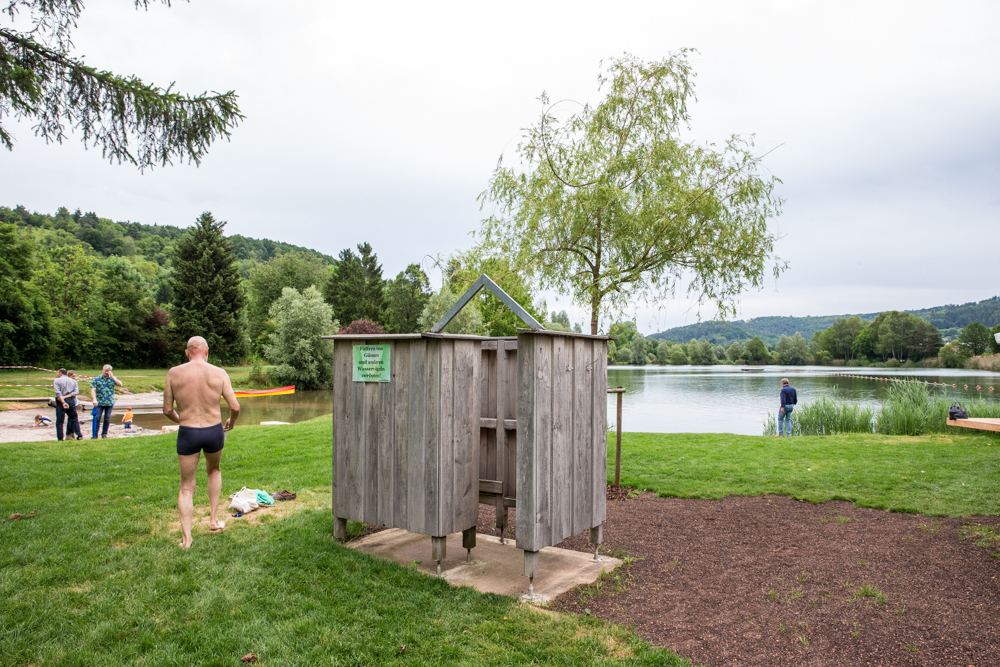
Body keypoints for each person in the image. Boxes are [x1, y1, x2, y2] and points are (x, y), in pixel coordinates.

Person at [163, 336, 241, 549]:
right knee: (214, 471)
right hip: (213, 430)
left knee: (186, 486)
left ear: (187, 352)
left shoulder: (174, 373)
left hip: (188, 432)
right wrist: (231, 422)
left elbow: (167, 410)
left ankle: (187, 539)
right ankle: (214, 521)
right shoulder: (219, 372)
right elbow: (235, 407)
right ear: (207, 351)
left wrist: (181, 420)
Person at [90, 365, 122, 439]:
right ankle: (95, 435)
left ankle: (104, 434)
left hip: (109, 402)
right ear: (102, 370)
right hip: (99, 402)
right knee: (97, 418)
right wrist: (94, 399)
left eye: (108, 371)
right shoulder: (97, 379)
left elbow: (120, 384)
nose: (107, 373)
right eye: (106, 371)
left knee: (107, 418)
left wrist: (112, 377)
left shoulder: (112, 379)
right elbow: (93, 390)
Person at [54, 368, 82, 441]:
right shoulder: (73, 381)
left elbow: (58, 393)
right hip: (71, 400)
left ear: (60, 373)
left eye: (57, 373)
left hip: (60, 401)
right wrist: (68, 396)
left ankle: (60, 438)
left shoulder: (57, 381)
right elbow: (76, 392)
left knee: (60, 421)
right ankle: (79, 435)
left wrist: (63, 401)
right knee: (74, 419)